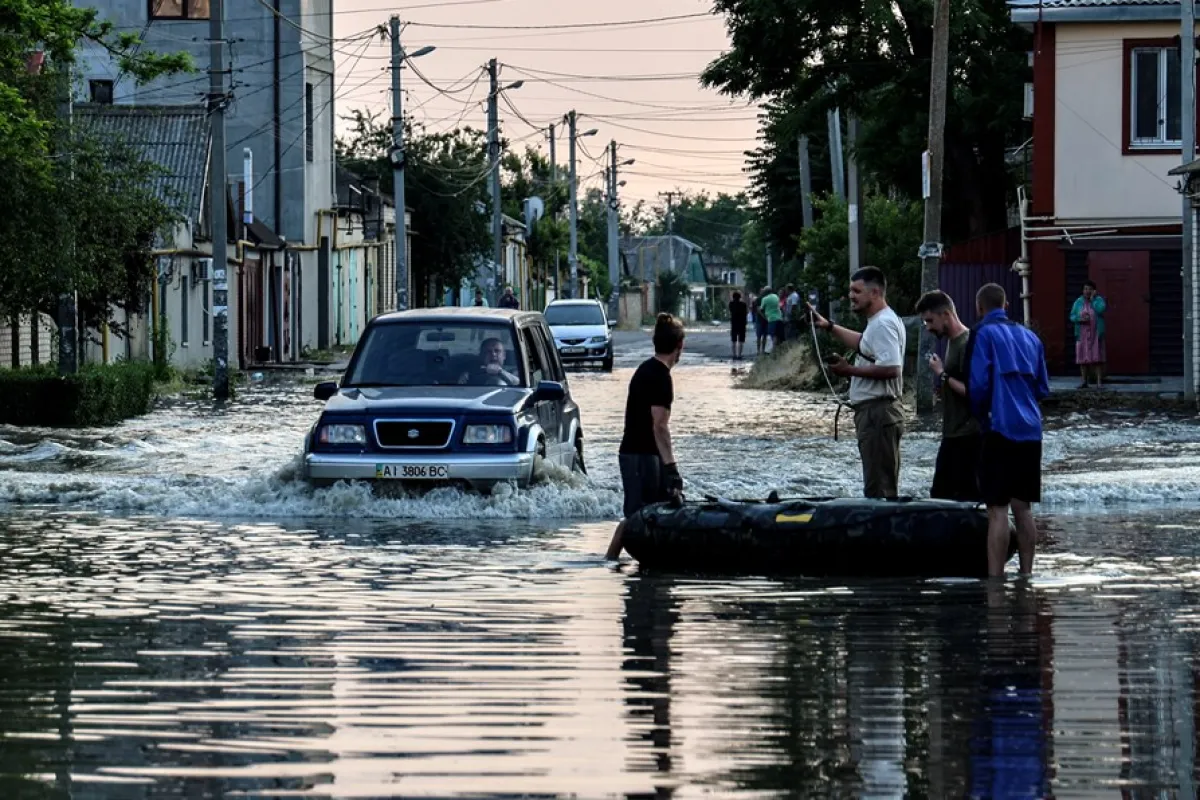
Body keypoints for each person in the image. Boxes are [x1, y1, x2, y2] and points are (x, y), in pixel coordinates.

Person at [966, 283, 1050, 578]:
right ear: (1007, 305)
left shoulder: (982, 334)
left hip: (999, 428)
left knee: (997, 510)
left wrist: (981, 417)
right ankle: (1026, 574)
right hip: (1031, 429)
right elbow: (1042, 388)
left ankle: (996, 580)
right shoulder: (1031, 337)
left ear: (979, 308)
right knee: (1023, 507)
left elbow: (978, 387)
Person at [807, 267, 907, 499]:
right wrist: (829, 327)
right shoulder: (880, 321)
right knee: (878, 484)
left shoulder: (882, 324)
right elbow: (863, 343)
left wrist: (848, 370)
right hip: (877, 414)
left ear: (874, 293)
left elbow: (892, 368)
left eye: (856, 291)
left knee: (879, 490)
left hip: (878, 414)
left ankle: (880, 534)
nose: (851, 296)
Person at [605, 313, 687, 560]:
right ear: (679, 346)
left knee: (658, 510)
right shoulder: (661, 377)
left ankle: (651, 565)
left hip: (640, 453)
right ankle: (609, 561)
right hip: (640, 455)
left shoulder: (646, 369)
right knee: (637, 517)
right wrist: (672, 469)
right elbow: (659, 426)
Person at [916, 290, 981, 502]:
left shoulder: (967, 343)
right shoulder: (952, 342)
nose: (928, 327)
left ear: (945, 314)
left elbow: (973, 392)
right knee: (941, 495)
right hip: (953, 432)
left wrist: (941, 374)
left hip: (968, 435)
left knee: (965, 497)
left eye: (930, 320)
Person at [1069, 280, 1106, 389]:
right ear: (1082, 290)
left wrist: (1093, 300)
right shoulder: (1078, 302)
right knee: (1082, 358)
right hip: (1082, 335)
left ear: (1094, 290)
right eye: (1085, 289)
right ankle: (1084, 381)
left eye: (1090, 289)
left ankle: (1099, 382)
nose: (1087, 291)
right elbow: (1072, 316)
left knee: (1097, 358)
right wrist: (1079, 319)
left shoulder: (1099, 300)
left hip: (1096, 334)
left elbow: (1101, 310)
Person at [758, 286, 782, 352]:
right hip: (779, 318)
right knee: (778, 335)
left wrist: (765, 317)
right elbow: (779, 305)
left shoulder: (764, 299)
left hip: (771, 319)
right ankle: (778, 349)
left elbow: (761, 309)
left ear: (766, 292)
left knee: (773, 335)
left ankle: (774, 349)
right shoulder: (776, 296)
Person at [728, 291, 748, 361]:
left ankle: (734, 355)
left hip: (734, 323)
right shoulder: (743, 305)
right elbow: (745, 314)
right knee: (741, 340)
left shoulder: (731, 304)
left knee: (733, 340)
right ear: (740, 297)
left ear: (733, 297)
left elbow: (730, 311)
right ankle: (739, 355)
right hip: (742, 323)